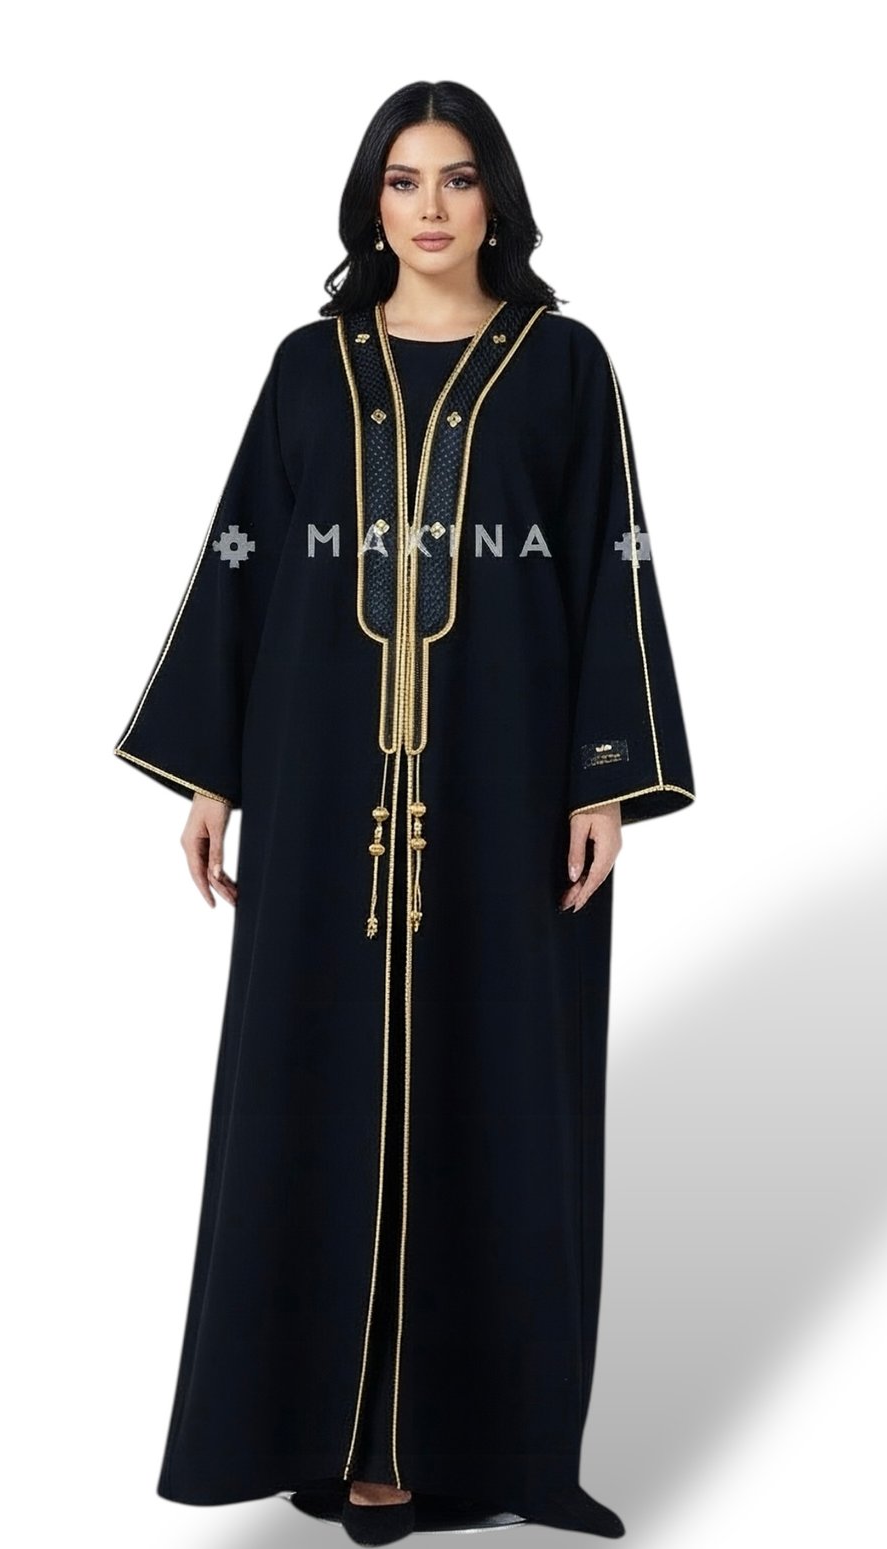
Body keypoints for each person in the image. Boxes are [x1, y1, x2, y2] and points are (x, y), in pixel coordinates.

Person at [113, 80, 695, 1545]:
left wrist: (604, 776)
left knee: (502, 1098)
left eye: (457, 178)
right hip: (322, 803)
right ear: (370, 203)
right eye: (402, 180)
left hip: (506, 802)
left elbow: (608, 566)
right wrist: (213, 770)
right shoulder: (310, 369)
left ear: (498, 197)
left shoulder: (562, 368)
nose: (430, 208)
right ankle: (343, 1440)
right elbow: (243, 563)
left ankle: (482, 1446)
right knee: (309, 1096)